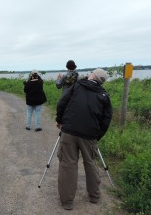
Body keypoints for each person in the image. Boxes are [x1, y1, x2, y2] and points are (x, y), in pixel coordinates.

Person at [55, 68, 112, 210]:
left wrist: (59, 120)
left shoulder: (77, 86)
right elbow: (106, 119)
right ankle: (94, 196)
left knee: (68, 164)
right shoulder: (103, 95)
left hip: (69, 131)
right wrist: (97, 135)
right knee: (90, 163)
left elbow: (62, 102)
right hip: (89, 135)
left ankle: (67, 202)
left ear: (92, 75)